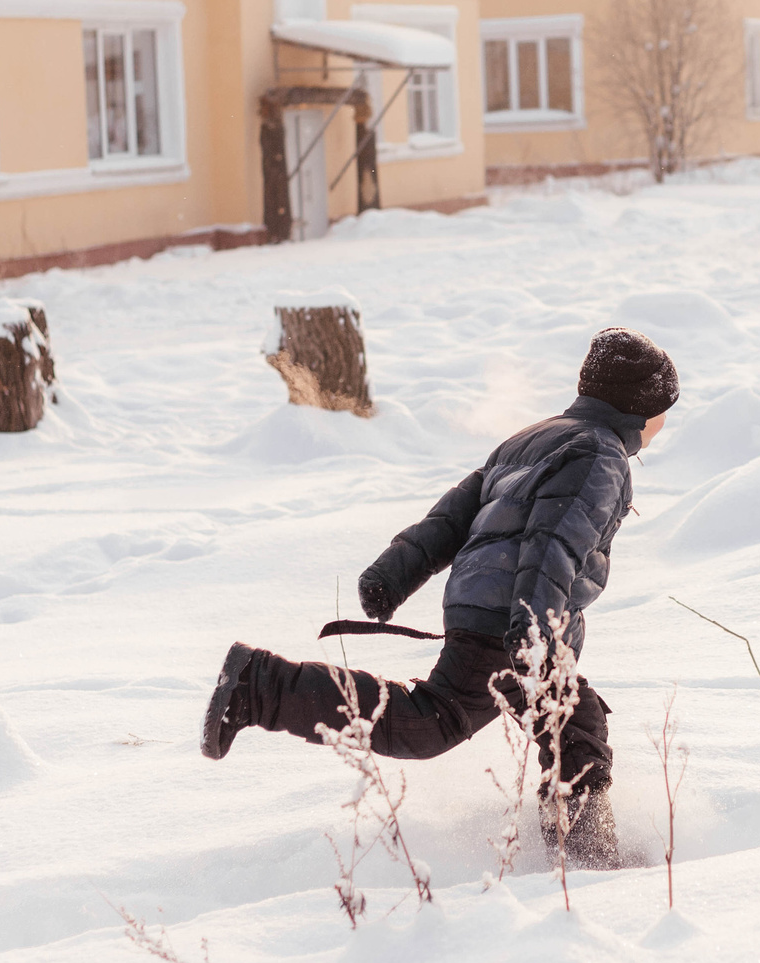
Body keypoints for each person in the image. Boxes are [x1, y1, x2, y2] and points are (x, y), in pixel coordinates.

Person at [199, 326, 679, 868]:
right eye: (665, 410)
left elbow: (453, 516)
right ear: (641, 410)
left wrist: (394, 572)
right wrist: (534, 621)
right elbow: (556, 540)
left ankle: (585, 853)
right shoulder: (601, 454)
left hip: (499, 608)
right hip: (517, 619)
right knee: (434, 722)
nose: (665, 424)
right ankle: (258, 687)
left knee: (576, 722)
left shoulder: (533, 436)